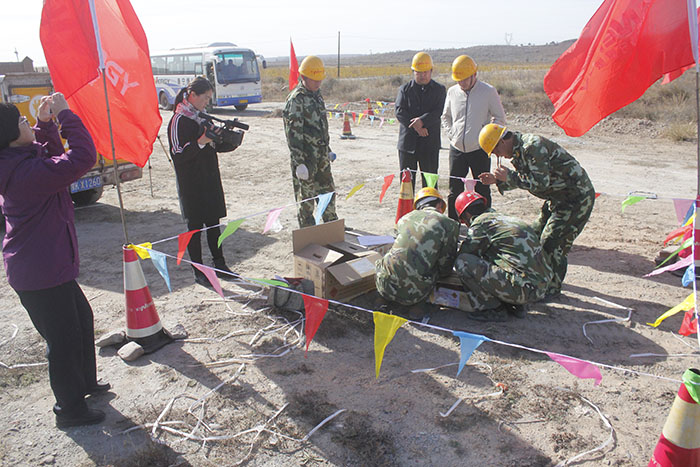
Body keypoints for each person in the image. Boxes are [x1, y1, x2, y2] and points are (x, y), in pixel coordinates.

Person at [0, 94, 110, 428]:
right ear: (7, 136)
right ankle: (69, 409)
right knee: (62, 340)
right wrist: (65, 115)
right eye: (21, 121)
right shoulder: (25, 173)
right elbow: (81, 157)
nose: (26, 123)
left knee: (81, 320)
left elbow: (51, 155)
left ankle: (84, 385)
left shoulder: (19, 160)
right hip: (40, 272)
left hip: (49, 264)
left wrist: (45, 124)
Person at [478, 124, 595, 298]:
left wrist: (509, 177)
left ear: (502, 141)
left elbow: (541, 183)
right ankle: (538, 279)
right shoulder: (519, 152)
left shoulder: (532, 146)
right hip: (557, 198)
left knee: (552, 241)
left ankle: (551, 290)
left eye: (496, 151)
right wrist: (497, 180)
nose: (498, 156)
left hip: (575, 198)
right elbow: (527, 179)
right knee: (531, 234)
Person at [168, 76, 239, 287]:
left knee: (214, 224)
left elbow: (215, 145)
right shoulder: (178, 120)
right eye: (205, 98)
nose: (207, 102)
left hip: (210, 179)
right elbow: (178, 154)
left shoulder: (202, 117)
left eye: (209, 98)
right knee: (194, 228)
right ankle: (198, 271)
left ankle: (220, 265)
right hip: (191, 184)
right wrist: (200, 142)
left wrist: (229, 140)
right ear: (192, 95)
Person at [453, 191, 553, 318]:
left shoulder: (481, 223)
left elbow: (465, 253)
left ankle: (494, 309)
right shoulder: (503, 219)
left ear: (467, 214)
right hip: (541, 286)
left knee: (463, 262)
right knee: (493, 256)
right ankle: (515, 305)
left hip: (524, 289)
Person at [441, 55, 505, 220]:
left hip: (480, 150)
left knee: (483, 189)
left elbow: (499, 118)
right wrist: (452, 134)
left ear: (474, 75)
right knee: (454, 190)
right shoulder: (452, 92)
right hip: (457, 149)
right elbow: (445, 117)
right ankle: (453, 227)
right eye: (458, 80)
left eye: (464, 79)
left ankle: (485, 225)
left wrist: (487, 136)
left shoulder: (488, 91)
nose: (461, 83)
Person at [375, 187, 460, 309]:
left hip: (385, 285)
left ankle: (382, 298)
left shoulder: (404, 218)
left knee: (385, 260)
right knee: (432, 269)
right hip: (415, 292)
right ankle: (417, 306)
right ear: (440, 204)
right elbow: (446, 262)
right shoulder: (449, 224)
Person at [283, 55, 338, 228]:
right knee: (307, 200)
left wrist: (327, 149)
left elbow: (322, 127)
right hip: (306, 160)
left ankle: (331, 226)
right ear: (304, 77)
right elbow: (293, 134)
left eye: (320, 79)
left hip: (321, 157)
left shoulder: (317, 96)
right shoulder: (296, 100)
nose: (318, 83)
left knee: (328, 193)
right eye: (314, 80)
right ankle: (308, 233)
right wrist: (299, 163)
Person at [395, 52, 446, 191]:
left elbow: (438, 111)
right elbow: (400, 111)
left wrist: (422, 121)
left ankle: (429, 210)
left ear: (431, 71)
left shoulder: (439, 90)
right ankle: (407, 211)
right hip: (408, 146)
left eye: (425, 72)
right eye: (419, 72)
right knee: (406, 184)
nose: (422, 75)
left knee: (430, 184)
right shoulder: (404, 90)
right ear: (413, 71)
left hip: (429, 144)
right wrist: (417, 127)